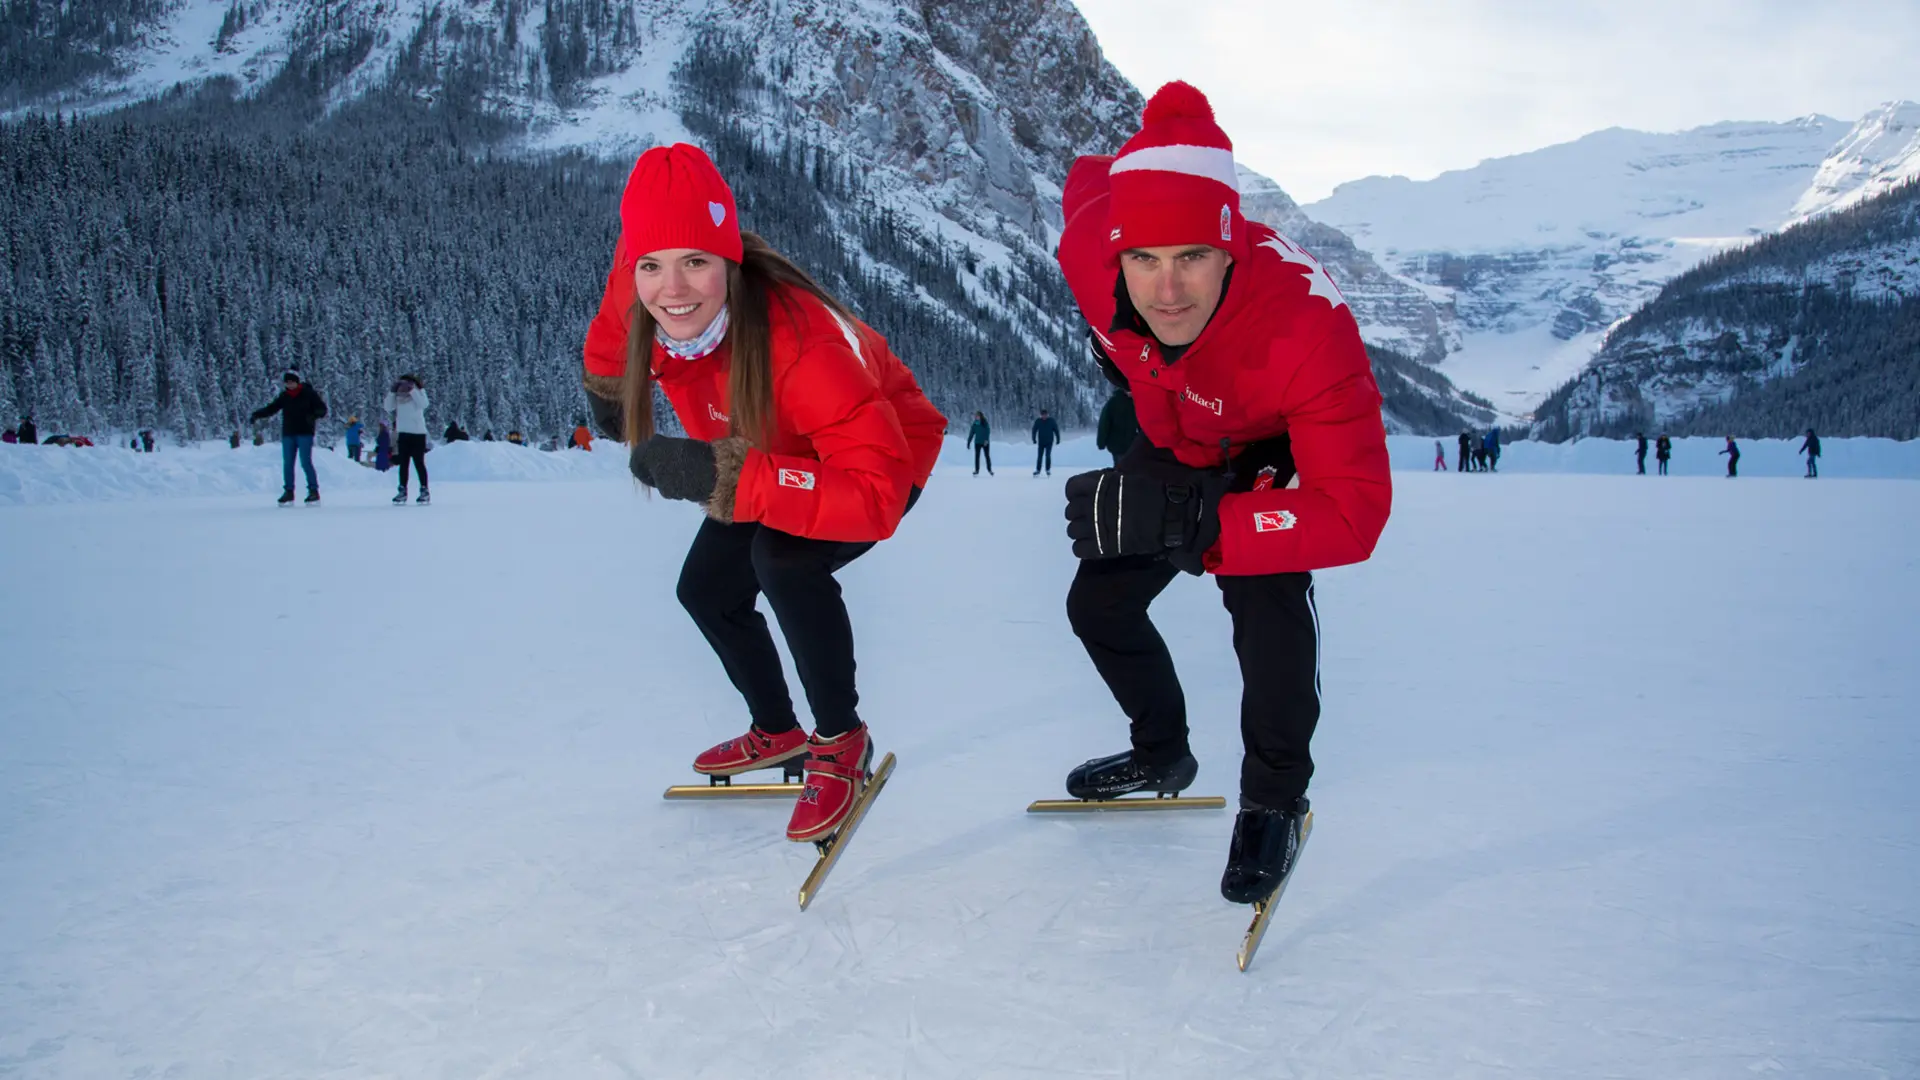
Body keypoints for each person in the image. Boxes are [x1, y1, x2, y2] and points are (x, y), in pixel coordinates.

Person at [1054, 83, 1391, 907]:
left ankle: (1275, 798)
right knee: (1098, 603)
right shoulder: (1091, 265)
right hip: (1178, 436)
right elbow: (1089, 201)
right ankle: (1162, 751)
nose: (1166, 292)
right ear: (1114, 253)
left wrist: (1199, 524)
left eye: (1194, 258)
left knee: (1263, 591)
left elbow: (1354, 513)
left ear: (1231, 247)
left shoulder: (1309, 328)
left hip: (1271, 444)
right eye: (1144, 261)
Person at [580, 143, 946, 844]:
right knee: (707, 589)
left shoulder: (800, 342)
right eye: (651, 266)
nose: (672, 288)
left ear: (728, 261)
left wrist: (729, 478)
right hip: (764, 451)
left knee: (785, 560)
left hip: (879, 459)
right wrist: (607, 389)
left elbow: (875, 493)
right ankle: (778, 730)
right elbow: (610, 331)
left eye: (696, 262)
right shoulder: (642, 291)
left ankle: (840, 741)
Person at [249, 370, 328, 504]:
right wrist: (257, 414)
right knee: (288, 463)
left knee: (305, 462)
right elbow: (272, 408)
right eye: (287, 383)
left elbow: (322, 409)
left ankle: (313, 491)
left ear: (297, 382)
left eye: (292, 382)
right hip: (288, 433)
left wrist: (313, 416)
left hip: (305, 433)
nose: (290, 385)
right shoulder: (285, 396)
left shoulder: (308, 394)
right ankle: (289, 491)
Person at [387, 375, 431, 503]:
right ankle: (402, 490)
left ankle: (424, 490)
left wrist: (412, 390)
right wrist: (392, 392)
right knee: (403, 464)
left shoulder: (418, 392)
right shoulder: (398, 396)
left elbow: (424, 404)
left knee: (419, 463)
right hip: (403, 433)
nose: (403, 389)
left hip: (418, 433)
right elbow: (388, 407)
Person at [1096, 388, 1141, 467]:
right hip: (1118, 445)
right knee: (1122, 468)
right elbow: (1104, 423)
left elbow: (1141, 423)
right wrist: (1101, 442)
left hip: (1130, 445)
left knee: (1126, 469)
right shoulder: (1113, 403)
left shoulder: (1135, 404)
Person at [1031, 409, 1060, 476]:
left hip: (1049, 442)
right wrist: (1034, 439)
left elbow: (1056, 430)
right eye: (1043, 415)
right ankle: (1038, 470)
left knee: (1047, 455)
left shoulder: (1051, 421)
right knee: (1039, 457)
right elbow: (1034, 430)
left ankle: (1048, 469)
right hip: (1041, 442)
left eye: (1045, 415)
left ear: (1047, 415)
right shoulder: (1038, 421)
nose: (1044, 416)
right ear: (1041, 415)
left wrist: (1058, 439)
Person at [966, 411, 994, 475]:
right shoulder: (975, 424)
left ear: (981, 416)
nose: (976, 417)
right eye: (976, 416)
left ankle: (989, 470)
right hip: (977, 442)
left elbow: (987, 431)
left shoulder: (985, 423)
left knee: (987, 456)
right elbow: (971, 434)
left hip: (985, 442)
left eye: (978, 416)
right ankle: (976, 470)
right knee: (977, 457)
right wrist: (968, 442)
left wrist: (986, 440)